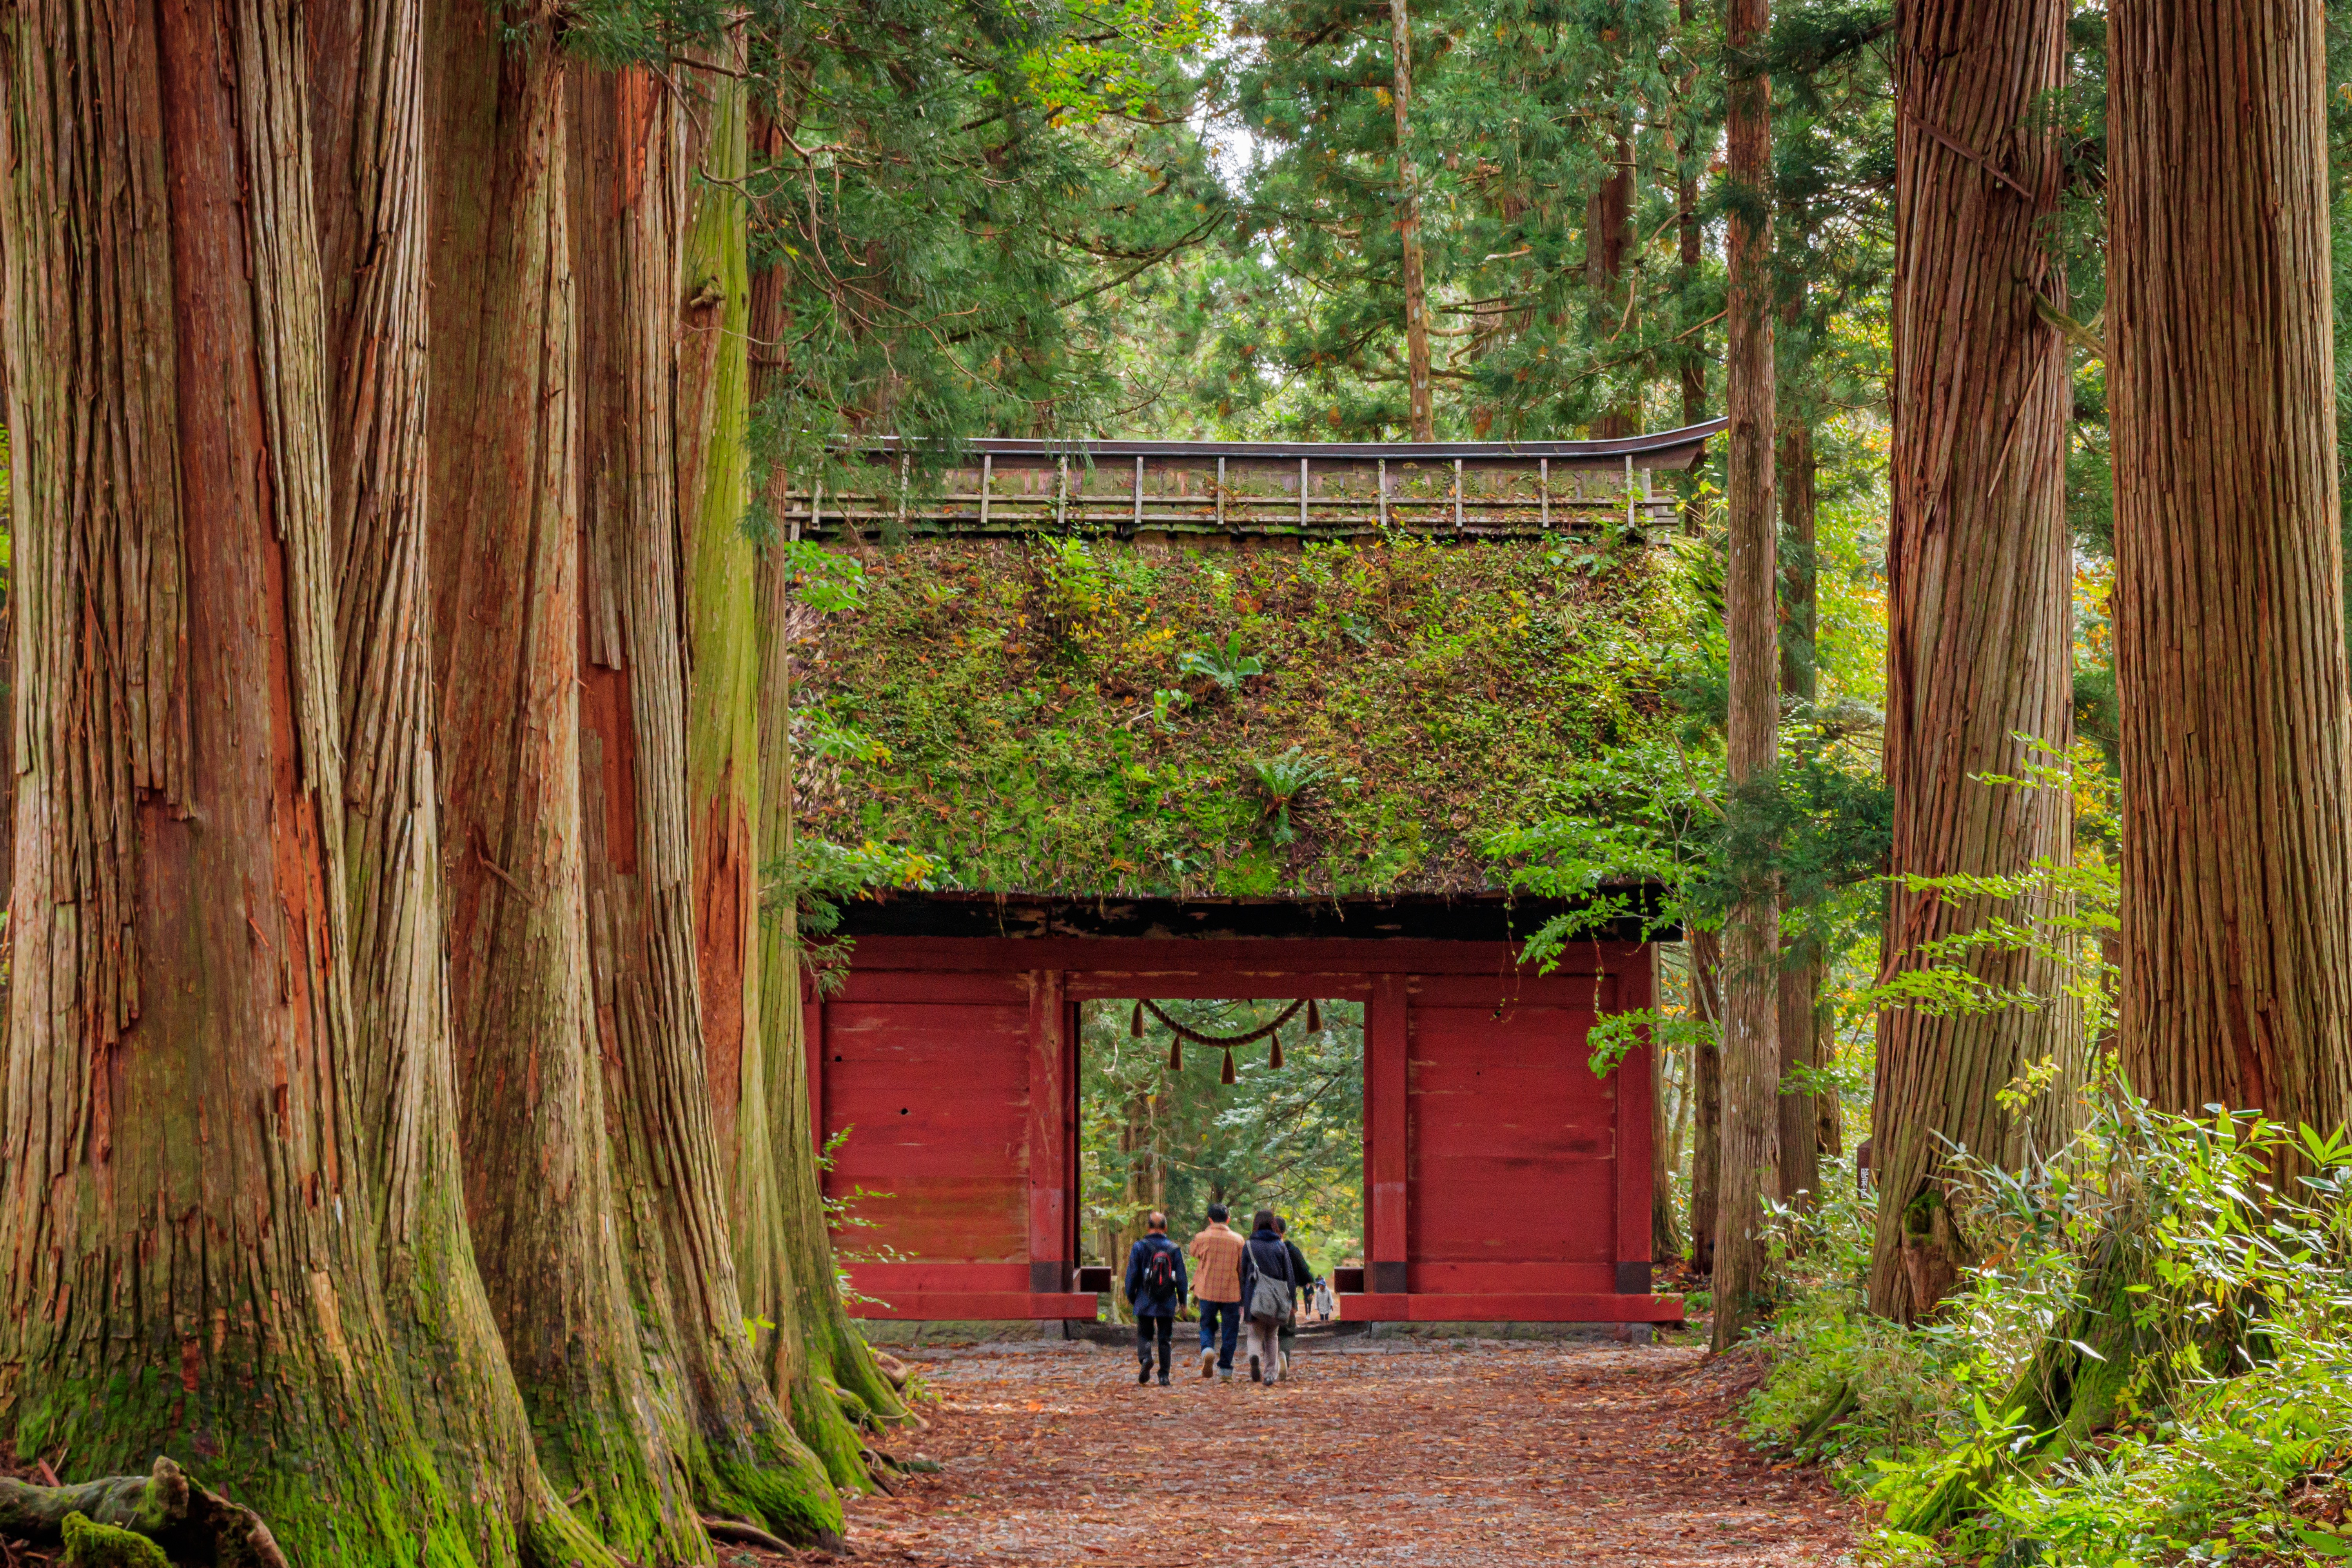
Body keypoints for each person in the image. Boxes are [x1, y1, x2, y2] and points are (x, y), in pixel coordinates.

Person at [1123, 1212, 1188, 1386]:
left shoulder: (1139, 1247)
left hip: (1145, 1299)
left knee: (1145, 1334)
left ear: (1148, 1227)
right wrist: (1183, 1302)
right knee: (1165, 1338)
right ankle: (1164, 1376)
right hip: (1167, 1300)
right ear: (1166, 1228)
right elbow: (1181, 1278)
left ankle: (1145, 1358)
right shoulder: (1174, 1249)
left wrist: (1132, 1297)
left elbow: (1132, 1275)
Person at [1236, 1208, 1295, 1385]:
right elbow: (1289, 1276)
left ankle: (1254, 1357)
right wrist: (1292, 1302)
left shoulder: (1249, 1246)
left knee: (1254, 1335)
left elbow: (1243, 1274)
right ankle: (1270, 1374)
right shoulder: (1281, 1246)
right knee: (1272, 1336)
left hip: (1254, 1297)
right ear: (1273, 1224)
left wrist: (1242, 1302)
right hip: (1276, 1300)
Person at [1188, 1203, 1247, 1380]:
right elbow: (1242, 1268)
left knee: (1207, 1325)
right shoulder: (1238, 1240)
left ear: (1210, 1219)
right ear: (1228, 1219)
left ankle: (1207, 1349)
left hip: (1207, 1291)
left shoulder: (1201, 1238)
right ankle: (1226, 1371)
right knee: (1230, 1330)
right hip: (1231, 1293)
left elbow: (1193, 1252)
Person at [1272, 1216, 1313, 1377]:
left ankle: (1271, 1364)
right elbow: (1306, 1274)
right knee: (1287, 1332)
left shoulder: (1260, 1248)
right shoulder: (1292, 1250)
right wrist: (1303, 1282)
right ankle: (1284, 1355)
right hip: (1288, 1296)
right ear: (1284, 1231)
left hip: (1265, 1297)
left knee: (1268, 1332)